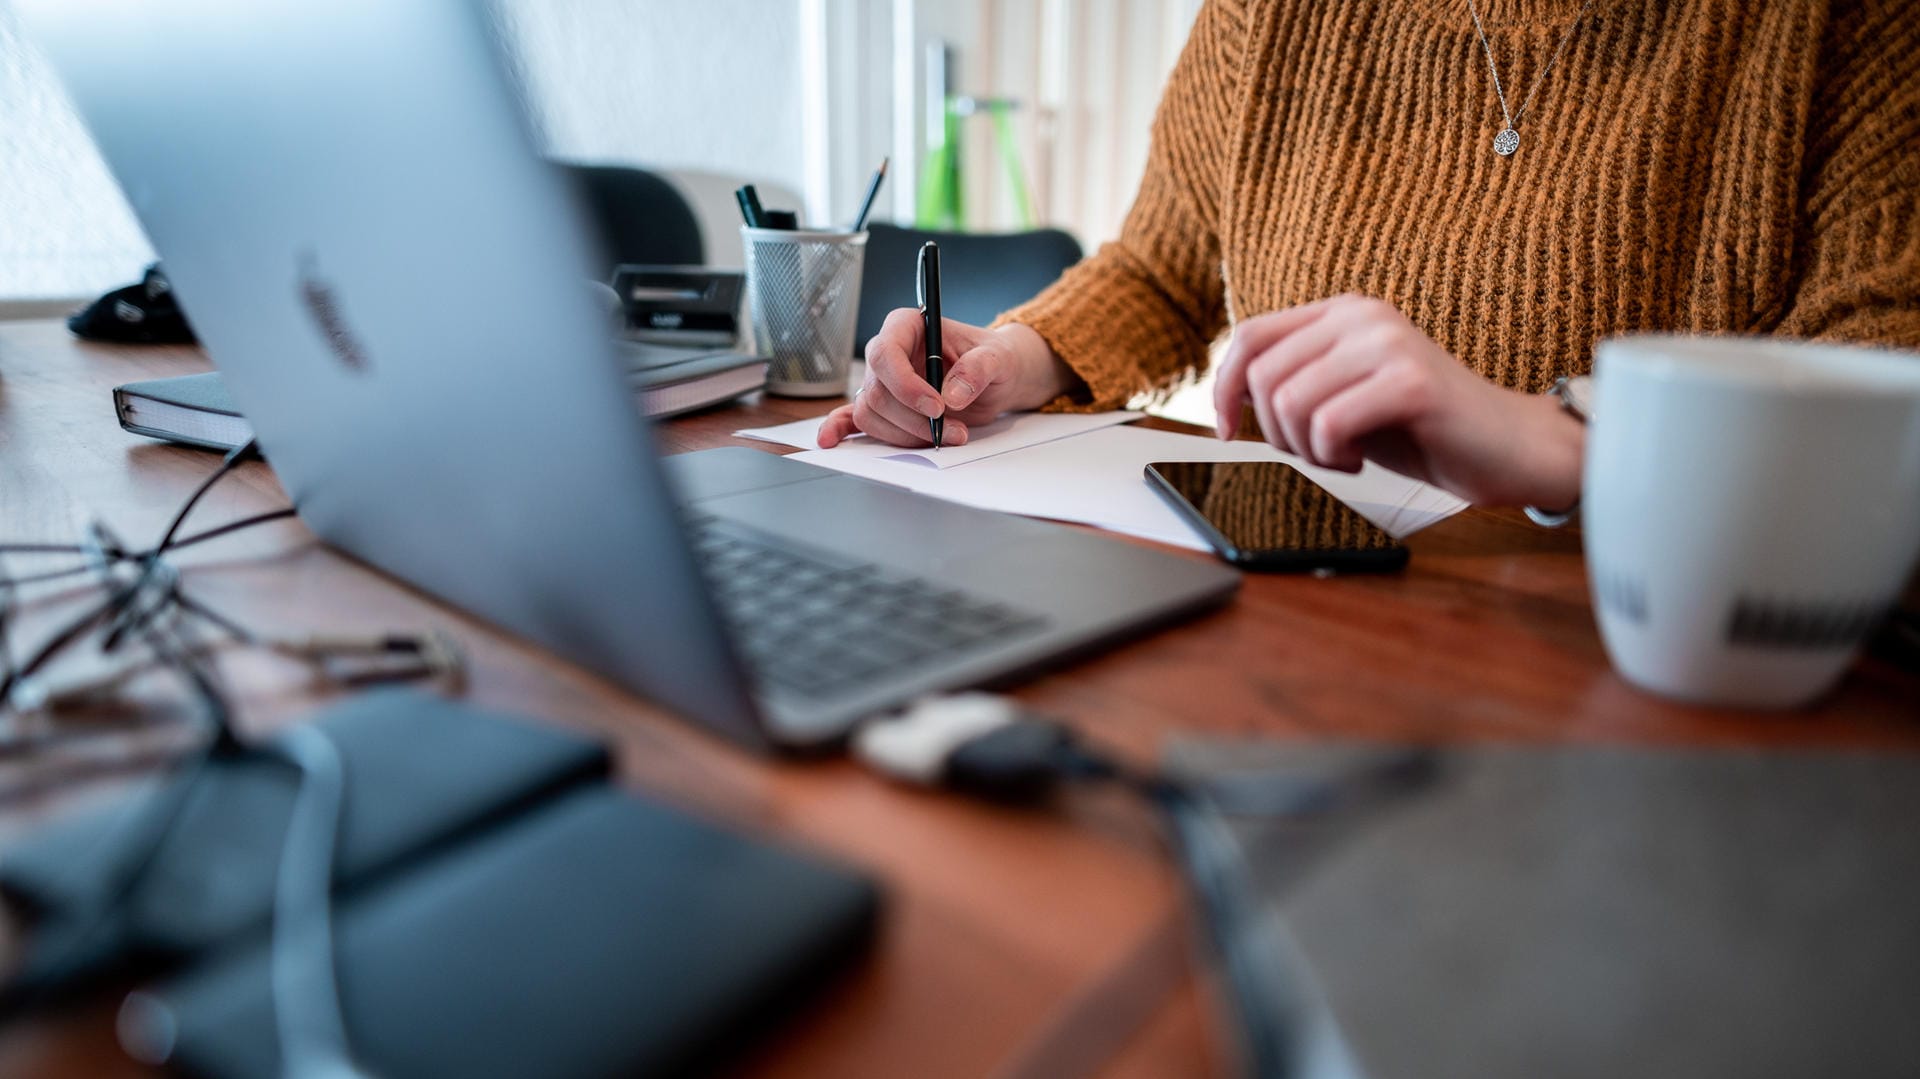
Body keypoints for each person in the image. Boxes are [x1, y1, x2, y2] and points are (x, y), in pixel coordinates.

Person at [818, 0, 1918, 515]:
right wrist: (1012, 354)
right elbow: (1163, 266)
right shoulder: (1273, 17)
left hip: (1630, 676)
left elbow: (1888, 397)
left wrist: (1564, 439)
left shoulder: (1845, 29)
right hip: (1299, 619)